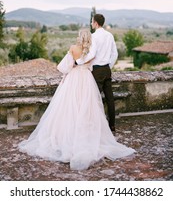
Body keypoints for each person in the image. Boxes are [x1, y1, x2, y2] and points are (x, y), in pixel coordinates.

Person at [18, 29, 135, 171]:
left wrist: (73, 65)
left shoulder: (73, 49)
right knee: (85, 108)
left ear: (79, 37)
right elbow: (91, 66)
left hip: (73, 80)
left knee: (69, 107)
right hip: (86, 80)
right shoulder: (91, 51)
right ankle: (85, 135)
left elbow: (62, 67)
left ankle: (67, 135)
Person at [76, 14, 118, 132]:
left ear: (95, 23)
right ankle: (112, 125)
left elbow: (92, 54)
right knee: (110, 98)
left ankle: (92, 125)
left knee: (93, 98)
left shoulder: (94, 37)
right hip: (107, 69)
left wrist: (78, 61)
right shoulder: (110, 35)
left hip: (97, 70)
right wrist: (108, 66)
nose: (91, 24)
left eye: (92, 22)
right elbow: (115, 54)